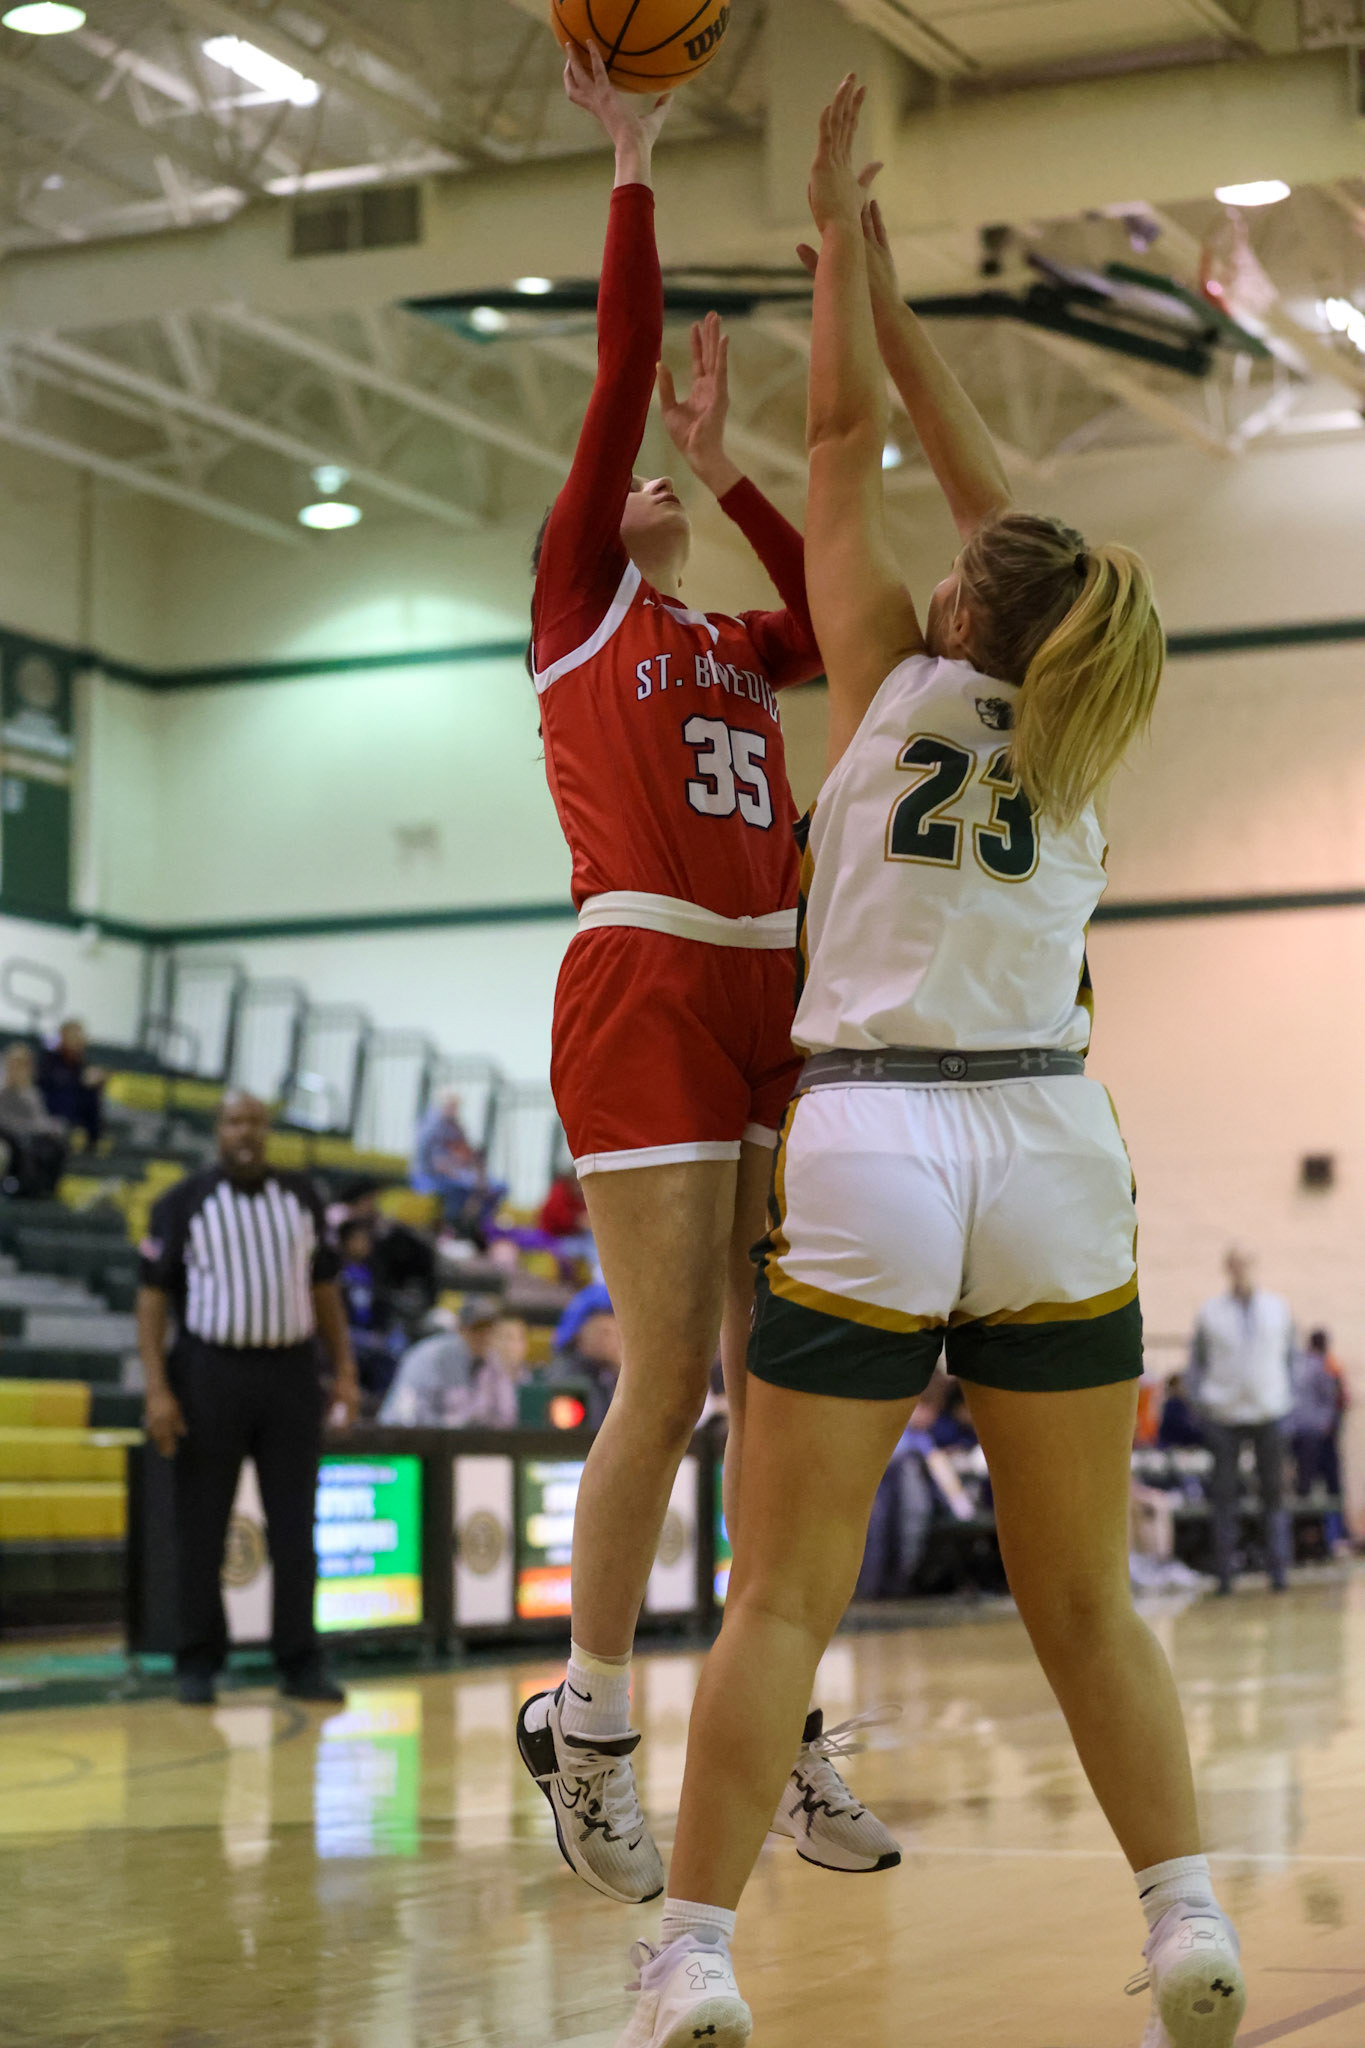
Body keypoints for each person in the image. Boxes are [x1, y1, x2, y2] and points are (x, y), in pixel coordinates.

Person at [609, 78, 1244, 2048]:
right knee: (1086, 1606)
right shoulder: (1080, 721)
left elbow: (845, 439)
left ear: (964, 605)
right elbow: (1003, 521)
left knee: (778, 1597)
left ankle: (693, 1958)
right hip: (1049, 1142)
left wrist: (842, 257)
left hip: (876, 1137)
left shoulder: (883, 669)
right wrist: (865, 263)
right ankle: (1188, 1917)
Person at [515, 41, 896, 1904]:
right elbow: (610, 380)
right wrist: (638, 158)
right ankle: (585, 1724)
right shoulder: (579, 592)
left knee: (779, 1387)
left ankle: (786, 1721)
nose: (640, 485)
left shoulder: (733, 638)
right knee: (666, 1376)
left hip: (772, 995)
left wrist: (734, 467)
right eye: (640, 488)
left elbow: (837, 615)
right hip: (651, 983)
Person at [136, 1092, 360, 1707]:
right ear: (218, 1131)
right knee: (201, 1522)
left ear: (267, 1131)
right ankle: (198, 1659)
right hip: (208, 1371)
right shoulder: (181, 1203)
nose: (246, 1133)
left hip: (290, 1373)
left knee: (296, 1523)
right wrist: (157, 1388)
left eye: (257, 1122)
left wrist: (343, 1370)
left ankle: (299, 1659)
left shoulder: (303, 1198)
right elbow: (152, 1299)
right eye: (235, 1122)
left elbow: (324, 1289)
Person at [1189, 1248, 1294, 1594]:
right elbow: (1196, 1364)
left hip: (1270, 1411)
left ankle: (1279, 1573)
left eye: (1245, 1263)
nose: (1240, 1269)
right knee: (1223, 1496)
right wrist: (1202, 1403)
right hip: (1224, 1414)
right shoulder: (1210, 1312)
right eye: (1234, 1264)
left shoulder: (1278, 1309)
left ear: (1254, 1265)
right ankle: (1224, 1576)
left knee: (1274, 1494)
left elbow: (1293, 1358)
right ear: (1227, 1268)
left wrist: (1289, 1399)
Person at [380, 1300, 510, 1427]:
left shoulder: (493, 1361)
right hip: (401, 1437)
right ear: (461, 1329)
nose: (484, 1336)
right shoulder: (433, 1355)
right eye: (477, 1330)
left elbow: (506, 1415)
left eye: (489, 1330)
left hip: (456, 1441)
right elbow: (409, 1414)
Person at [411, 1092, 506, 1247]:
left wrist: (476, 1169)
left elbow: (465, 1154)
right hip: (431, 1176)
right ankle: (453, 1230)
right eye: (451, 1106)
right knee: (462, 1188)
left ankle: (476, 1228)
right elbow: (438, 1163)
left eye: (456, 1106)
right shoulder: (432, 1127)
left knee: (495, 1188)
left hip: (454, 1173)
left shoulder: (455, 1126)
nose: (455, 1110)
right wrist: (467, 1176)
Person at [1290, 1328, 1350, 1553]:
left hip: (1305, 1432)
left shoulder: (1304, 1365)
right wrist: (1327, 1424)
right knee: (1324, 1485)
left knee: (1310, 1486)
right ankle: (1324, 1537)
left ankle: (1326, 1536)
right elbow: (1334, 1399)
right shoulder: (1323, 1365)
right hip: (1315, 1434)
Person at [545, 1291, 624, 1432]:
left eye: (615, 1333)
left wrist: (623, 1374)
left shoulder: (617, 1372)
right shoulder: (565, 1372)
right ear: (579, 1334)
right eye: (603, 1332)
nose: (610, 1340)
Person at [0, 1041, 67, 1197]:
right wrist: (40, 1128)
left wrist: (50, 1127)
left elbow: (40, 1118)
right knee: (28, 1147)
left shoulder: (33, 1092)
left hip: (32, 1135)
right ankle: (22, 1188)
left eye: (24, 1065)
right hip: (11, 1136)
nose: (20, 1070)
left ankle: (47, 1190)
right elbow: (6, 1121)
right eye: (16, 1064)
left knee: (57, 1145)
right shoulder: (4, 1092)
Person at [447, 1314, 530, 1430]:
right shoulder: (476, 1372)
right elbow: (464, 1417)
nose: (511, 1345)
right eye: (505, 1337)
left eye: (518, 1338)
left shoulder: (531, 1377)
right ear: (492, 1341)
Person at [37, 1019, 106, 1153]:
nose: (78, 1042)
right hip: (51, 1112)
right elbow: (50, 1085)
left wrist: (93, 1082)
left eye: (80, 1037)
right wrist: (81, 1082)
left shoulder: (82, 1064)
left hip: (75, 1117)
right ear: (62, 1036)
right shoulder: (48, 1059)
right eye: (74, 1036)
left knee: (92, 1093)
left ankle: (93, 1140)